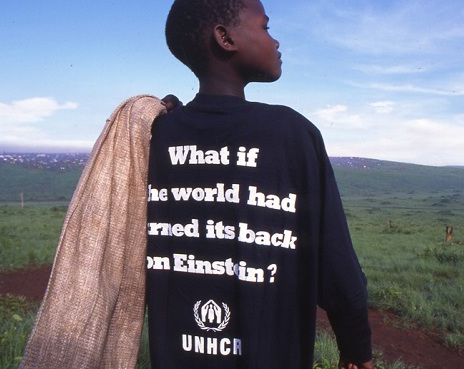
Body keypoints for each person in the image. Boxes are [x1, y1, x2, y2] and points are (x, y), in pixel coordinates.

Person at [146, 0, 373, 368]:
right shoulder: (291, 134)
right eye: (266, 27)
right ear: (225, 38)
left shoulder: (156, 133)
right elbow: (337, 265)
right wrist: (356, 347)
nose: (276, 41)